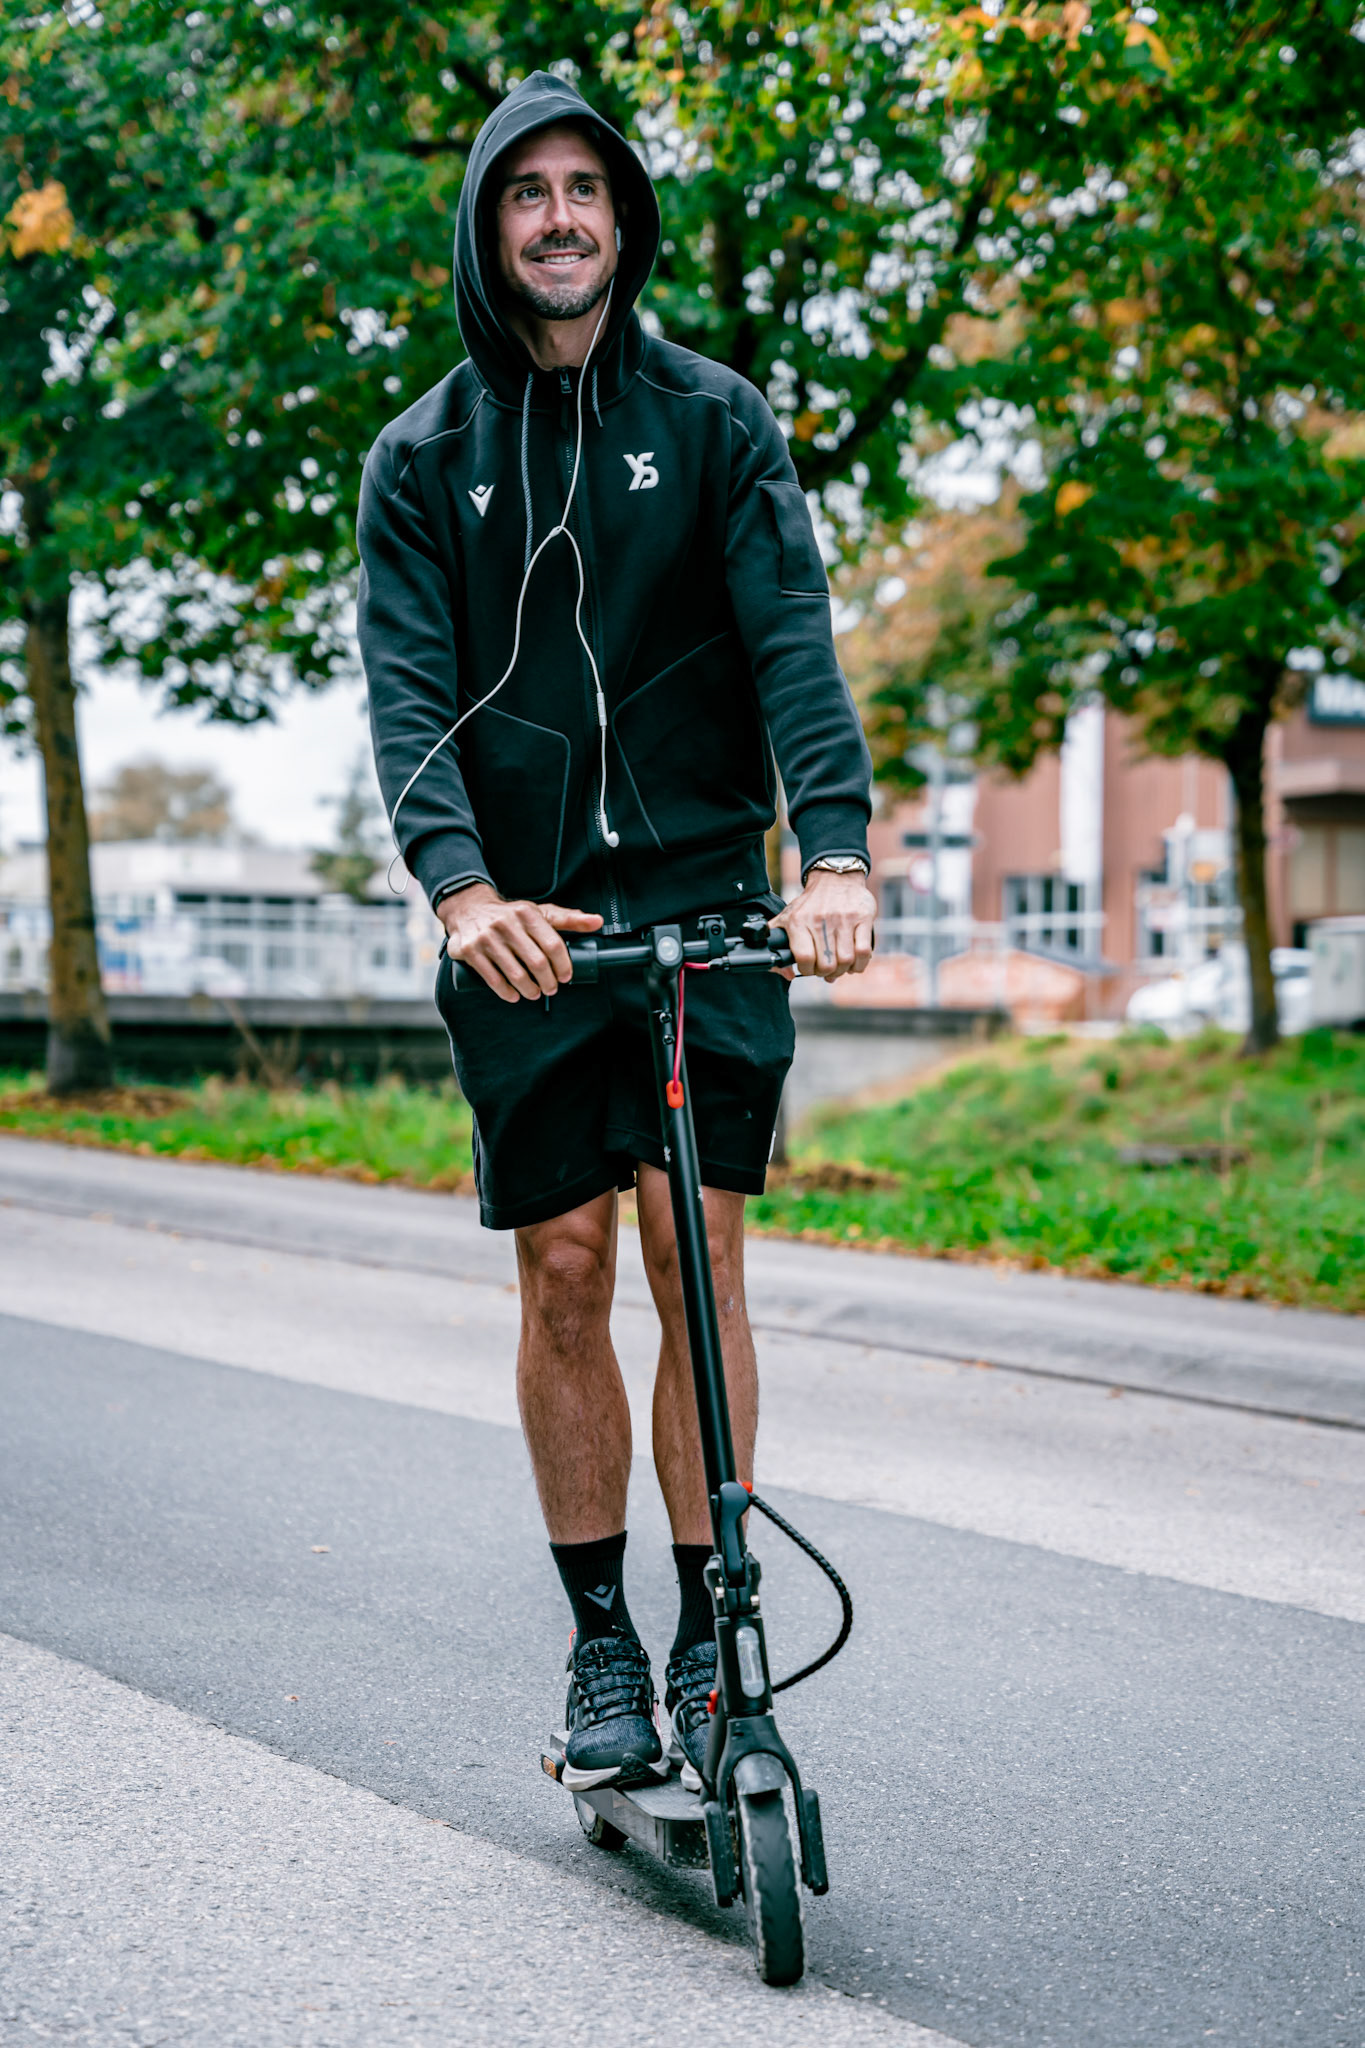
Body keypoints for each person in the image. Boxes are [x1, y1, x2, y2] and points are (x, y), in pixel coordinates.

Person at [358, 71, 875, 1793]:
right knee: (565, 1266)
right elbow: (408, 701)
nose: (561, 215)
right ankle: (599, 1645)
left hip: (709, 897)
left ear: (622, 219)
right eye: (528, 191)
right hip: (524, 924)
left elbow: (791, 640)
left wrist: (834, 858)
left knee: (692, 1257)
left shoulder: (717, 421)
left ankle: (718, 1639)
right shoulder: (420, 459)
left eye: (586, 186)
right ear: (487, 229)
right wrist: (462, 894)